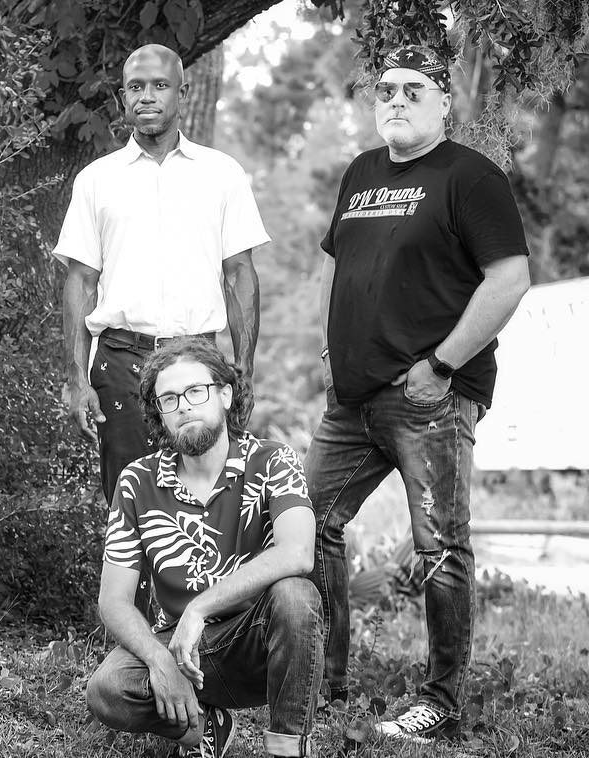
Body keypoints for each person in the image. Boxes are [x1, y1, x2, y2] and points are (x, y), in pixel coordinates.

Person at [310, 45, 531, 743]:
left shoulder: (470, 176)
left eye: (413, 89)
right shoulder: (360, 173)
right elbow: (335, 268)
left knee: (439, 546)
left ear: (444, 105)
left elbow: (509, 279)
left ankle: (442, 700)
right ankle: (326, 679)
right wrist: (327, 348)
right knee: (305, 522)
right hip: (351, 402)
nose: (396, 100)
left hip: (429, 397)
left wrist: (441, 364)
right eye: (386, 90)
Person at [86, 339, 322, 758]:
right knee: (107, 689)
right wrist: (159, 662)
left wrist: (199, 608)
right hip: (179, 648)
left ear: (225, 394)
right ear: (158, 412)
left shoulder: (273, 461)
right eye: (169, 398)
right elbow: (114, 601)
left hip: (257, 643)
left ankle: (289, 749)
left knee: (295, 595)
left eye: (196, 392)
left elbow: (298, 553)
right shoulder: (137, 481)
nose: (184, 406)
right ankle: (202, 727)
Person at [56, 43, 268, 501]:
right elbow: (81, 284)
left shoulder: (222, 174)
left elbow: (239, 276)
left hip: (199, 362)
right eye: (136, 87)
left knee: (209, 499)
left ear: (182, 93)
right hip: (121, 363)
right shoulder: (97, 180)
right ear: (122, 98)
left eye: (159, 85)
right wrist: (76, 381)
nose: (147, 96)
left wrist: (244, 372)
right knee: (129, 504)